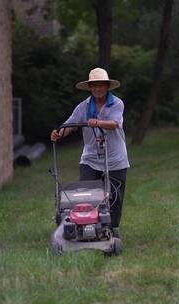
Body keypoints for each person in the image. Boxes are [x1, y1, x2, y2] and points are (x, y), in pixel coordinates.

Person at [50, 68, 130, 238]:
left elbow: (115, 123)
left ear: (107, 86)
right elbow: (70, 124)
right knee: (87, 194)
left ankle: (113, 228)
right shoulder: (83, 107)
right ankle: (88, 228)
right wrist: (59, 133)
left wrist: (98, 122)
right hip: (90, 159)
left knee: (115, 196)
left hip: (115, 158)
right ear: (90, 88)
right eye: (94, 86)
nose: (97, 89)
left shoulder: (117, 103)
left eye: (100, 85)